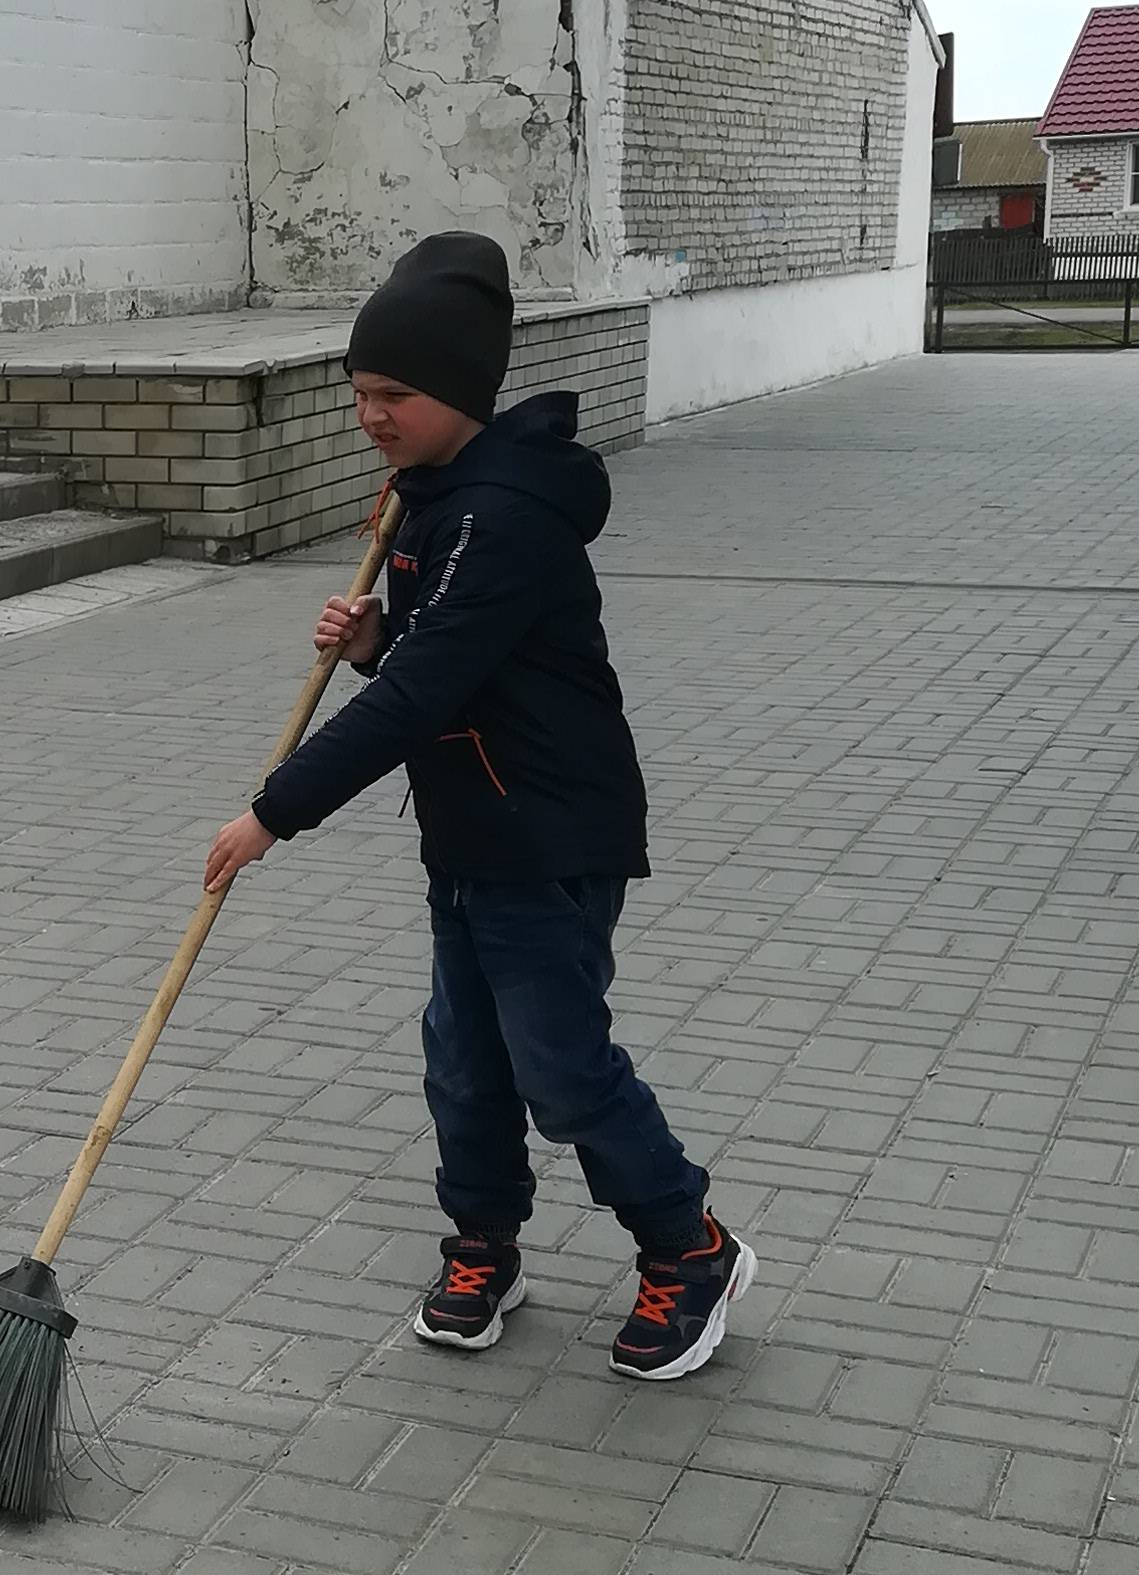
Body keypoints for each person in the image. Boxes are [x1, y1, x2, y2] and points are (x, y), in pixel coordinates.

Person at [204, 231, 753, 1381]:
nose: (370, 415)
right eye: (358, 393)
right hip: (473, 830)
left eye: (391, 393)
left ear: (456, 388)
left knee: (559, 1065)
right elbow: (438, 667)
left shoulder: (499, 517)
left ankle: (689, 1246)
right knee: (464, 1058)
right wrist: (373, 641)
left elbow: (423, 693)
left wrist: (275, 811)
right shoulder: (429, 498)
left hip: (550, 835)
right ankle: (482, 1244)